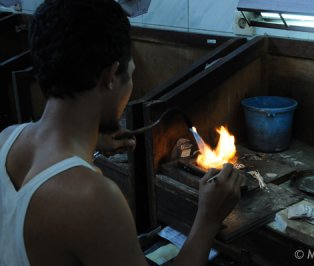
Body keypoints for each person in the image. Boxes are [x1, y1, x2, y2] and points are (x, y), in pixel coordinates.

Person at [0, 0, 244, 265]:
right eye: (130, 74)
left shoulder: (6, 139)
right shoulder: (92, 198)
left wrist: (92, 139)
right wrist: (208, 219)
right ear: (111, 75)